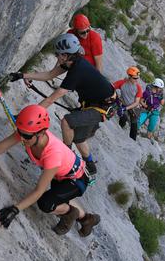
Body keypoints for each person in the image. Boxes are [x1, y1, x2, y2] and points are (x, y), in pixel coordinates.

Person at [0, 104, 101, 236]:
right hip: (62, 174)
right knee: (58, 196)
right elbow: (0, 147)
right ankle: (87, 218)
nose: (22, 138)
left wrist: (15, 209)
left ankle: (70, 212)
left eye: (27, 136)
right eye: (20, 132)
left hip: (77, 180)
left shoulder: (52, 154)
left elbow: (39, 190)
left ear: (41, 133)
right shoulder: (28, 133)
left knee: (46, 203)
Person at [9, 34, 116, 177]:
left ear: (65, 55)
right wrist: (23, 75)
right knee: (79, 138)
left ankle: (66, 154)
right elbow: (49, 75)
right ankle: (90, 165)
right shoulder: (71, 62)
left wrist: (26, 119)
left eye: (57, 54)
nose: (56, 56)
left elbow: (50, 99)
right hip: (95, 104)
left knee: (67, 122)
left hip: (102, 107)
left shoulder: (77, 72)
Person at [112, 66, 143, 140]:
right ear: (129, 76)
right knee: (123, 118)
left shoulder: (138, 87)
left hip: (133, 107)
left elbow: (136, 102)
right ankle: (119, 131)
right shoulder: (122, 83)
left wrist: (125, 108)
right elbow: (111, 87)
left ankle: (133, 140)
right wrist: (115, 97)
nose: (136, 80)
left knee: (134, 125)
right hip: (123, 104)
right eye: (135, 78)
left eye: (137, 78)